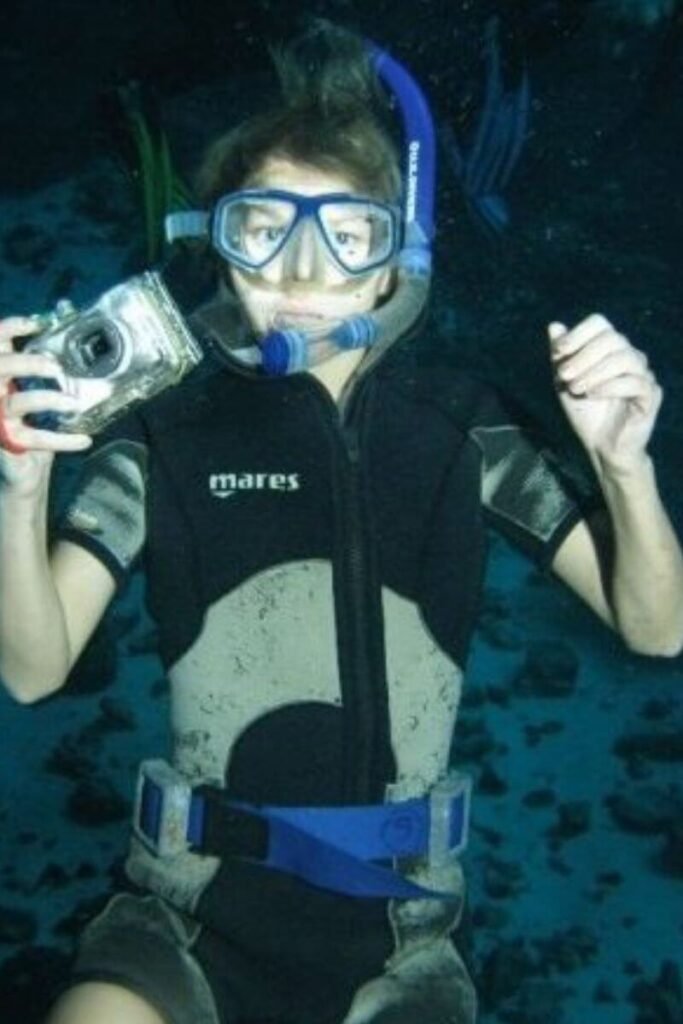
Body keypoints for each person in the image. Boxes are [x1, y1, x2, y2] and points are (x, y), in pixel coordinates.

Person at [0, 20, 681, 1024]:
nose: (304, 273)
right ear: (218, 248)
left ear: (390, 263)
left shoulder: (465, 424)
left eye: (346, 233)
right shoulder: (161, 428)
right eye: (263, 228)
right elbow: (32, 666)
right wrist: (18, 490)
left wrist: (624, 468)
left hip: (398, 943)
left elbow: (657, 628)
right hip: (180, 916)